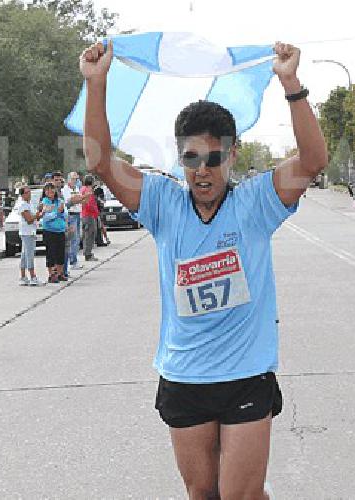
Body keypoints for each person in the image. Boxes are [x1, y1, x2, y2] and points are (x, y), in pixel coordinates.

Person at [80, 39, 327, 499]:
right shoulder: (161, 201)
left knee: (239, 495)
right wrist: (97, 84)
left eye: (214, 158)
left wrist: (291, 84)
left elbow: (313, 161)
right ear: (180, 160)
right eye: (191, 159)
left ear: (232, 156)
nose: (203, 171)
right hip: (185, 375)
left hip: (245, 374)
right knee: (204, 494)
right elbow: (100, 163)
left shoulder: (256, 203)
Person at [38, 182, 67, 284]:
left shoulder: (59, 201)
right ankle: (52, 274)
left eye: (52, 189)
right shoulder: (44, 202)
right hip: (49, 231)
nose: (50, 192)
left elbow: (65, 214)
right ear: (45, 192)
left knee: (61, 253)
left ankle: (60, 273)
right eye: (48, 190)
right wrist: (56, 213)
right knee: (51, 253)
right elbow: (46, 218)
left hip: (60, 230)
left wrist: (61, 212)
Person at [13, 185, 41, 286]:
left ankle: (23, 276)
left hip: (30, 231)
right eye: (26, 192)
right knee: (30, 255)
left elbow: (34, 217)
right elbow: (29, 219)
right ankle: (33, 277)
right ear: (22, 194)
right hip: (27, 232)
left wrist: (39, 213)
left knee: (24, 255)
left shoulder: (30, 204)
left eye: (29, 192)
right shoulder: (23, 205)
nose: (29, 194)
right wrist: (37, 215)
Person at [80, 175, 100, 262]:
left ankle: (87, 252)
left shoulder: (82, 189)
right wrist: (96, 212)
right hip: (89, 215)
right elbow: (89, 204)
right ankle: (88, 254)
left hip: (85, 215)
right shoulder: (88, 190)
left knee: (87, 235)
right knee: (90, 235)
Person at [93, 179, 110, 246]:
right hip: (96, 210)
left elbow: (102, 200)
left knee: (101, 225)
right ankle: (103, 239)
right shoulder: (94, 189)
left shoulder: (99, 190)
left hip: (99, 210)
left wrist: (100, 201)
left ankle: (105, 238)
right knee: (100, 226)